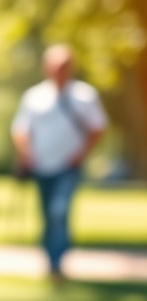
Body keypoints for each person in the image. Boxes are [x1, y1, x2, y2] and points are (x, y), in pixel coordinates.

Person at [11, 44, 107, 284]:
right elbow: (21, 129)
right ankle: (51, 258)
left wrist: (81, 154)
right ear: (46, 67)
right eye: (55, 65)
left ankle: (56, 262)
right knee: (46, 213)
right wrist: (26, 153)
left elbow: (97, 128)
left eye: (64, 65)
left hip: (68, 165)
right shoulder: (34, 96)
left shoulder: (85, 95)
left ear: (71, 66)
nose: (59, 70)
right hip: (40, 164)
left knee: (59, 211)